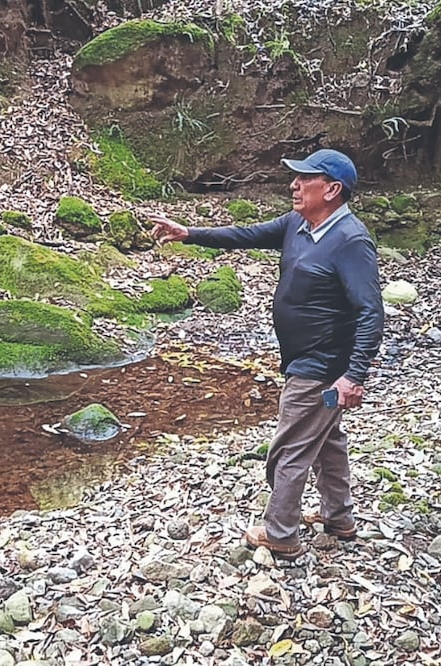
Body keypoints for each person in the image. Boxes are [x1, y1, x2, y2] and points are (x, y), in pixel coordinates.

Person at [149, 148, 384, 559]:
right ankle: (339, 517)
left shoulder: (350, 241)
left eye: (305, 178)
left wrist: (354, 375)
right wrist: (190, 233)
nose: (294, 184)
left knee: (289, 450)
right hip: (305, 360)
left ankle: (281, 534)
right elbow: (246, 235)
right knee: (326, 439)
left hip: (322, 368)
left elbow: (371, 312)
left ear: (332, 190)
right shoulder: (297, 224)